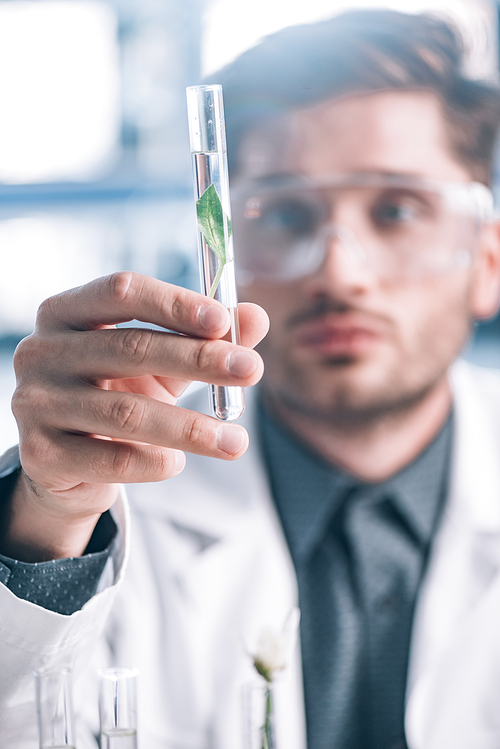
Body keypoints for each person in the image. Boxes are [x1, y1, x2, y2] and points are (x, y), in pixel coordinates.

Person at [1, 8, 500, 749]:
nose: (340, 271)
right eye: (286, 212)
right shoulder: (115, 498)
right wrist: (45, 521)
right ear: (221, 242)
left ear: (486, 260)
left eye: (397, 209)